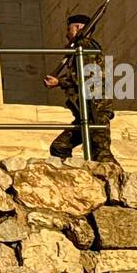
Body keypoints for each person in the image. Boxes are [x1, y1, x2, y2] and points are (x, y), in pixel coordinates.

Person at [43, 12, 117, 164]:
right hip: (84, 111)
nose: (66, 34)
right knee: (60, 147)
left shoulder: (85, 46)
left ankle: (118, 181)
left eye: (68, 29)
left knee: (102, 155)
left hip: (95, 109)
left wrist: (59, 82)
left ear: (77, 27)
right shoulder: (79, 48)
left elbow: (87, 76)